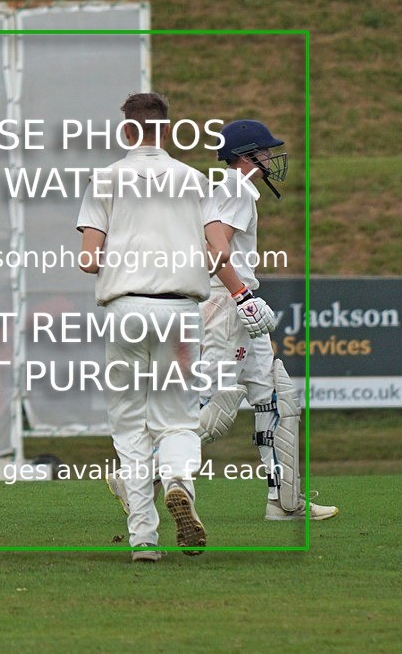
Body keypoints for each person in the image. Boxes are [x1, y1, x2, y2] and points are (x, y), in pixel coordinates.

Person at [107, 119, 338, 523]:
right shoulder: (236, 188)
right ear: (246, 156)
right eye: (264, 152)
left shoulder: (236, 190)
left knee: (276, 396)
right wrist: (241, 296)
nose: (270, 158)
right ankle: (137, 477)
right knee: (217, 406)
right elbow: (213, 248)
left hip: (233, 303)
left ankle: (285, 502)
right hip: (227, 305)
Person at [77, 92, 218, 562]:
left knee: (129, 424)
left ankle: (143, 540)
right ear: (166, 130)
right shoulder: (195, 180)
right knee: (177, 417)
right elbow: (219, 252)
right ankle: (178, 479)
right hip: (180, 311)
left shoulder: (106, 178)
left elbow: (87, 259)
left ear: (126, 131)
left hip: (127, 311)